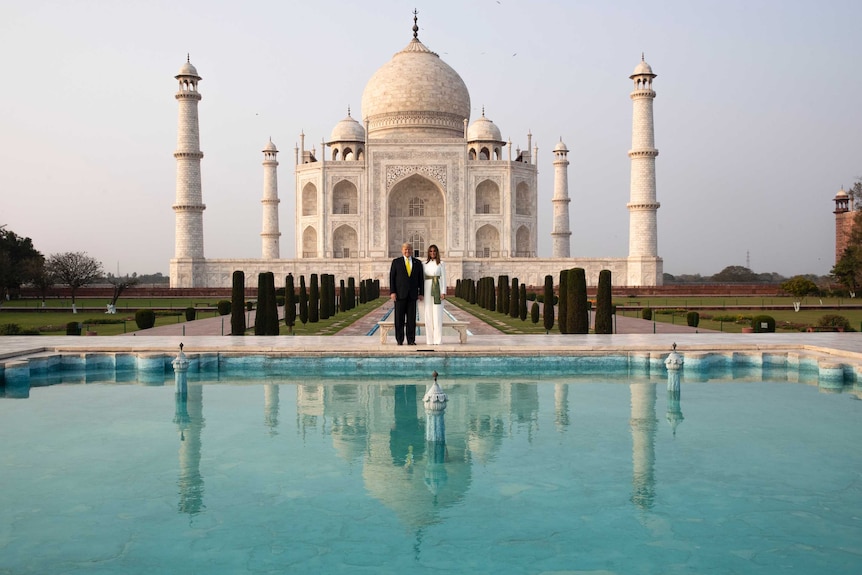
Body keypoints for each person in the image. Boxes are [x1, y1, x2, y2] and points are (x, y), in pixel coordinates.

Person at [389, 242, 423, 345]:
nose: (407, 251)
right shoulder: (396, 262)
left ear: (412, 250)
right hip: (399, 294)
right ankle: (399, 340)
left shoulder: (417, 263)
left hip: (412, 295)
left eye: (409, 249)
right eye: (405, 249)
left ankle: (411, 340)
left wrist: (421, 292)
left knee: (411, 319)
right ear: (402, 250)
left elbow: (420, 279)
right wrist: (392, 292)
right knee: (399, 319)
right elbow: (392, 278)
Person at [421, 244, 446, 345]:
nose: (432, 253)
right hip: (427, 289)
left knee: (437, 315)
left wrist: (443, 291)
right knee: (428, 315)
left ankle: (438, 340)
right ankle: (429, 340)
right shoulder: (424, 264)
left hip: (437, 289)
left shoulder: (441, 264)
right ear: (428, 253)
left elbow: (444, 278)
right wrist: (421, 292)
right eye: (430, 251)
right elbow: (421, 279)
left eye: (434, 251)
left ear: (437, 252)